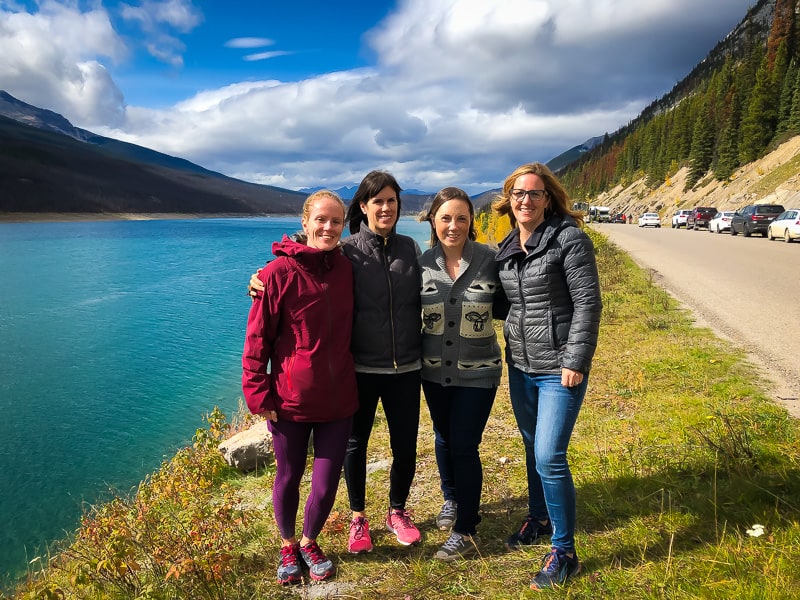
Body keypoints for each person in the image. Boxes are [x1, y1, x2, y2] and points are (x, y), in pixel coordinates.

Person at [249, 170, 423, 554]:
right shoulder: (350, 251)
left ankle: (396, 511)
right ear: (363, 206)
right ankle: (355, 518)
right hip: (358, 370)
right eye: (377, 200)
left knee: (405, 446)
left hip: (403, 368)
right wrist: (264, 273)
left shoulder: (409, 249)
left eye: (392, 201)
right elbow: (307, 251)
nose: (385, 207)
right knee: (353, 448)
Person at [491, 163, 602, 590]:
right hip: (520, 365)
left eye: (535, 194)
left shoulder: (569, 240)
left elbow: (588, 304)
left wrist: (575, 360)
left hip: (559, 368)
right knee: (531, 445)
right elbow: (502, 302)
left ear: (548, 199)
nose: (526, 200)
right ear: (509, 199)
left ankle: (565, 552)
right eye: (519, 193)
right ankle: (538, 517)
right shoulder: (506, 247)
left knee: (549, 455)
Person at [242, 190, 358, 585]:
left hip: (339, 397)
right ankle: (288, 545)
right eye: (321, 220)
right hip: (290, 401)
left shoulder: (346, 268)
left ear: (344, 226)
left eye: (336, 221)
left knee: (326, 483)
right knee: (288, 477)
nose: (328, 228)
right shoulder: (276, 274)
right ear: (305, 222)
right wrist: (258, 394)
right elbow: (257, 340)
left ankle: (310, 541)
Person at [417, 187, 508, 561]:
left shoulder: (492, 258)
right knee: (443, 437)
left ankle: (466, 529)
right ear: (433, 221)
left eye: (461, 218)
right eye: (445, 218)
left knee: (464, 445)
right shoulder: (420, 263)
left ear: (471, 222)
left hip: (479, 372)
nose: (453, 226)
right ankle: (451, 498)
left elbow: (527, 284)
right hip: (433, 372)